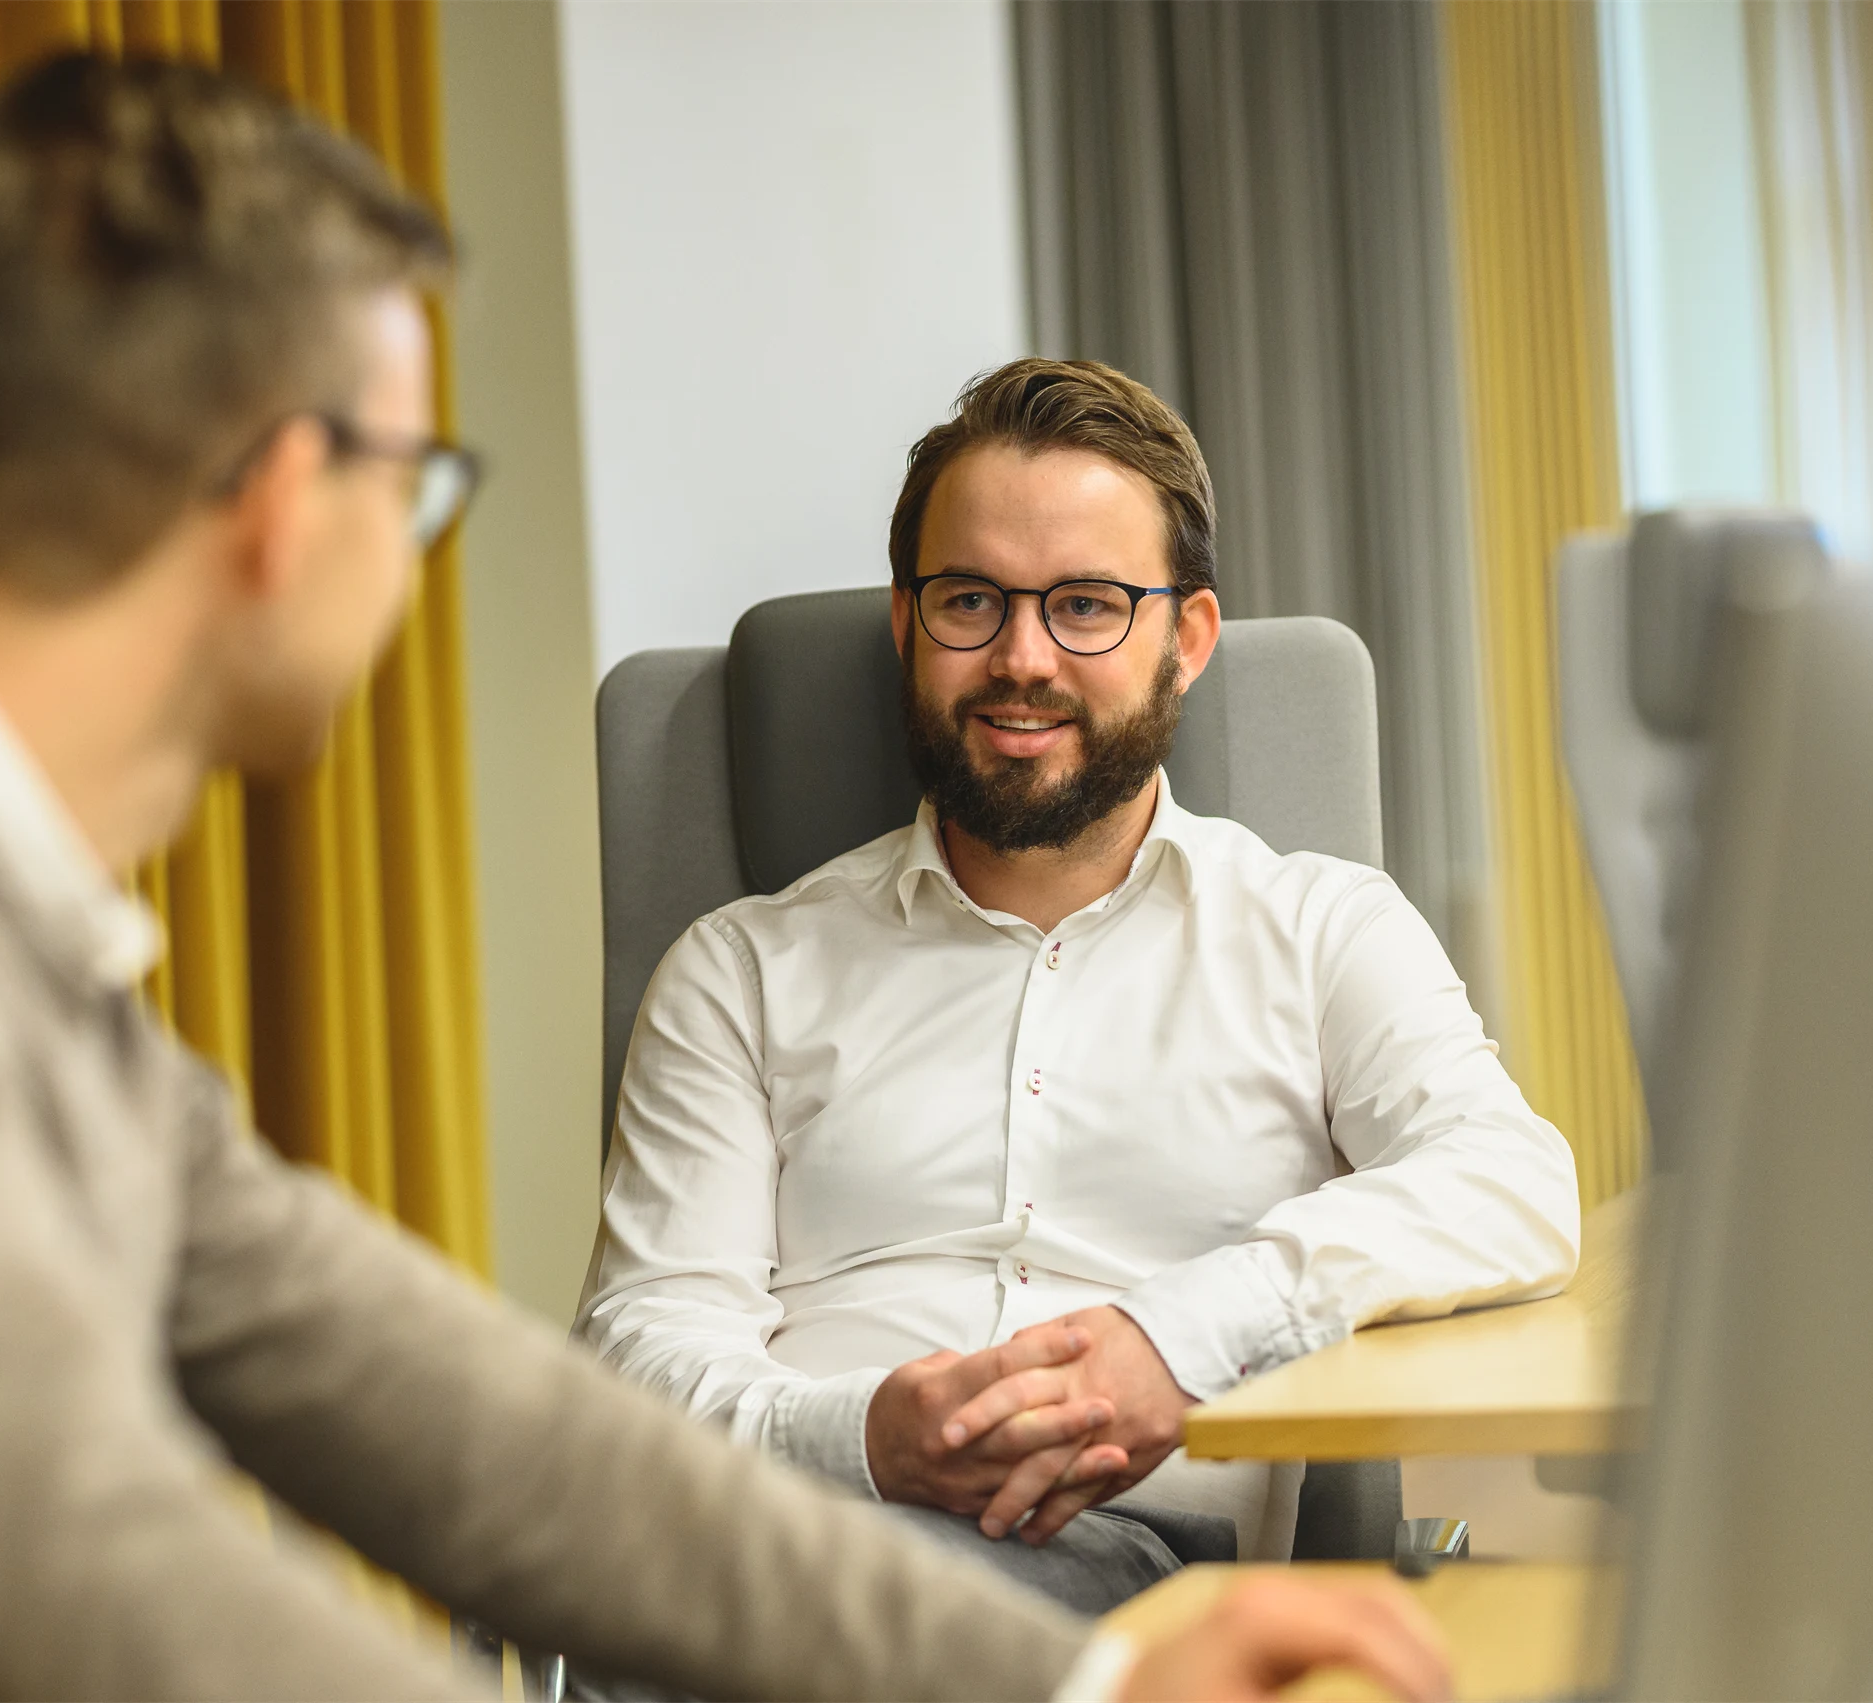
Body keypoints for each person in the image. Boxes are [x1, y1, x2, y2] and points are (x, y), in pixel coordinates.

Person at [0, 52, 1452, 1703]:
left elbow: (485, 1435)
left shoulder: (4, 960)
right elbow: (79, 1575)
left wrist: (1086, 1672)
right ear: (284, 498)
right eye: (413, 482)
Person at [577, 360, 1583, 1610]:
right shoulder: (739, 969)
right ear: (906, 624)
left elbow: (1510, 1181)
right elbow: (640, 1346)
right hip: (767, 1554)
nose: (1020, 657)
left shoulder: (1320, 928)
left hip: (1130, 1568)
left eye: (1088, 605)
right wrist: (865, 1438)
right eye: (970, 602)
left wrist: (1179, 1338)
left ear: (1187, 638)